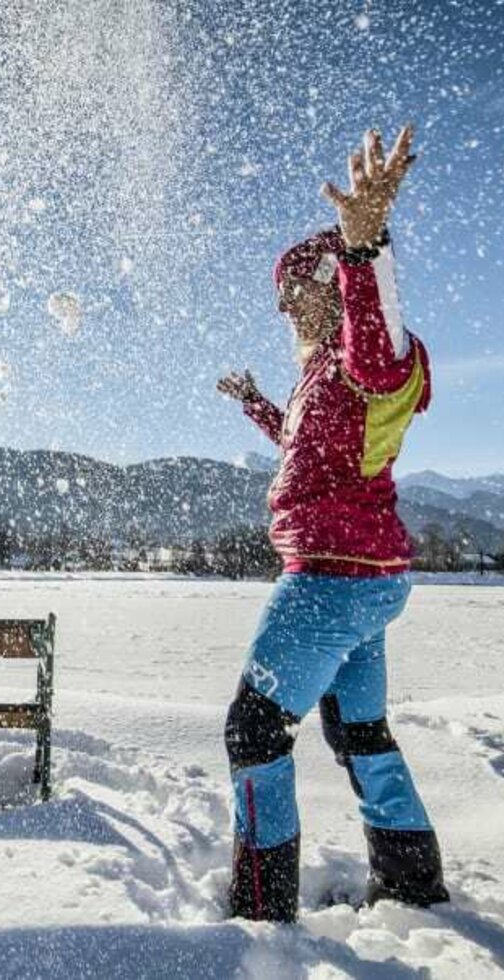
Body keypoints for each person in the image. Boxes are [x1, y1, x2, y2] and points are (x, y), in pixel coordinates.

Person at [216, 125, 449, 921]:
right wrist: (253, 402)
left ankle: (259, 909)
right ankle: (413, 883)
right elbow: (298, 441)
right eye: (279, 298)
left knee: (253, 730)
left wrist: (363, 245)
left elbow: (380, 347)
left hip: (328, 581)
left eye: (293, 290)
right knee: (359, 733)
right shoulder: (322, 377)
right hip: (369, 583)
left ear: (328, 283)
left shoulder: (364, 354)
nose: (284, 309)